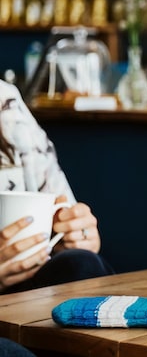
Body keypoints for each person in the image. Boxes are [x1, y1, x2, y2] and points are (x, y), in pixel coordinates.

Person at [0, 81, 113, 294]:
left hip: (34, 286)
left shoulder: (4, 101)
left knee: (80, 264)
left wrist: (77, 233)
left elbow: (64, 210)